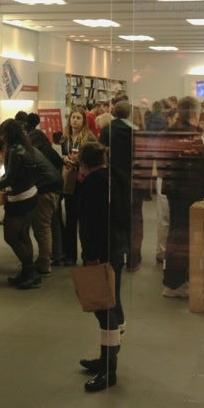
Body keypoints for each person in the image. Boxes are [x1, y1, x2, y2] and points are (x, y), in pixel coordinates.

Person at [76, 143, 129, 392]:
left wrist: (91, 256)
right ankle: (108, 356)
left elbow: (90, 223)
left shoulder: (92, 185)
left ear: (83, 163)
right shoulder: (115, 176)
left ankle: (109, 368)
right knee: (113, 301)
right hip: (116, 247)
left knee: (103, 308)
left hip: (100, 252)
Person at [160, 96, 204, 297]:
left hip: (174, 191)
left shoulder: (168, 132)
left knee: (176, 236)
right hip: (188, 192)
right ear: (195, 114)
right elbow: (202, 164)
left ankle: (174, 281)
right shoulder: (191, 134)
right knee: (185, 238)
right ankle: (176, 284)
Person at [0, 119, 42, 289]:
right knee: (23, 235)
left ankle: (29, 271)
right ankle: (28, 273)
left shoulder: (14, 151)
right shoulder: (26, 148)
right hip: (31, 195)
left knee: (10, 236)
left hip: (20, 199)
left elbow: (10, 178)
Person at [100, 100, 139, 270]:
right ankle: (131, 259)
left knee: (113, 218)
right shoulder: (134, 131)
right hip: (130, 177)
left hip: (112, 177)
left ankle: (113, 256)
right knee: (130, 219)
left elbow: (102, 152)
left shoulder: (107, 129)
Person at [60, 108, 99, 265]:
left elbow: (96, 159)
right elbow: (61, 154)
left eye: (78, 118)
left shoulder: (89, 138)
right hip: (69, 181)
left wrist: (80, 161)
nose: (75, 120)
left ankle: (87, 255)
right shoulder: (64, 139)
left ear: (84, 121)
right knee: (70, 219)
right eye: (73, 117)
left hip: (84, 182)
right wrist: (65, 159)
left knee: (84, 221)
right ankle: (70, 255)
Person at [25, 127, 64, 275]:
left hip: (45, 191)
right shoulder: (50, 151)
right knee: (53, 224)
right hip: (56, 189)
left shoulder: (34, 153)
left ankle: (44, 263)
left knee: (42, 229)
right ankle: (57, 254)